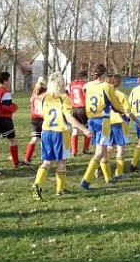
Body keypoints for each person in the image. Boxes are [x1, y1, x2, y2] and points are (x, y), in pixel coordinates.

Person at [32, 72, 91, 201]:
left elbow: (42, 114)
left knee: (47, 162)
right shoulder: (64, 98)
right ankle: (60, 190)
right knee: (61, 162)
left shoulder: (43, 98)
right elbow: (69, 118)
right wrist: (84, 129)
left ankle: (37, 184)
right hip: (60, 133)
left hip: (46, 132)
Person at [80, 64, 126, 190]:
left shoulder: (88, 85)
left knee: (103, 151)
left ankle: (108, 178)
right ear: (104, 74)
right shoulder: (107, 86)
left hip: (91, 120)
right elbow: (115, 105)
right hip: (103, 121)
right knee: (100, 152)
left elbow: (85, 93)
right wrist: (124, 112)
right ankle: (86, 179)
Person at [105, 74, 140, 180]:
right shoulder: (121, 95)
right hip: (118, 123)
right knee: (120, 148)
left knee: (109, 147)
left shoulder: (106, 94)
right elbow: (128, 113)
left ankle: (101, 166)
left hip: (107, 123)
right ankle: (119, 173)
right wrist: (139, 122)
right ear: (119, 82)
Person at [0, 72, 20, 167]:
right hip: (4, 119)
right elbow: (6, 107)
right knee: (12, 140)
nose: (10, 82)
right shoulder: (5, 92)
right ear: (5, 80)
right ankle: (16, 162)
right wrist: (14, 107)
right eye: (9, 80)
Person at [66, 71, 91, 156]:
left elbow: (66, 92)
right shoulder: (85, 84)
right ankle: (86, 149)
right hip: (83, 108)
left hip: (75, 109)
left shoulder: (71, 84)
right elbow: (88, 94)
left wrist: (71, 98)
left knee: (75, 130)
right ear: (83, 77)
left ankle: (74, 151)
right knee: (87, 129)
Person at [23, 77, 47, 165]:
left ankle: (27, 158)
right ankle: (45, 158)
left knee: (34, 139)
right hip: (43, 118)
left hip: (34, 117)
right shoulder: (46, 94)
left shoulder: (34, 92)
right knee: (44, 139)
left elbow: (31, 102)